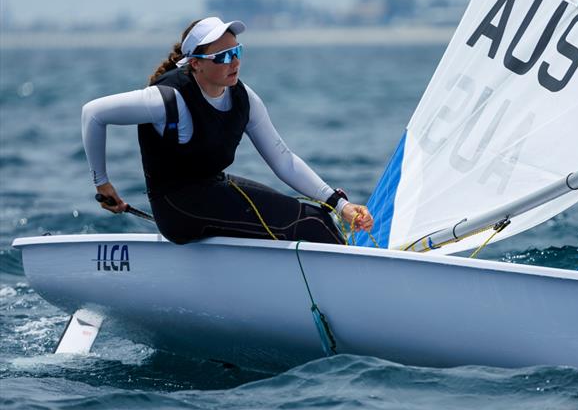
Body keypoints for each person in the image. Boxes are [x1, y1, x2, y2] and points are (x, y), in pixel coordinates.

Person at [82, 16, 373, 244]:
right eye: (222, 57)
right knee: (311, 223)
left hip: (213, 192)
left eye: (236, 52)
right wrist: (102, 182)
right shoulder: (167, 99)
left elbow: (283, 160)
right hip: (178, 210)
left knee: (320, 215)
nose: (233, 62)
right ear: (195, 64)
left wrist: (339, 204)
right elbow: (93, 114)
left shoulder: (244, 99)